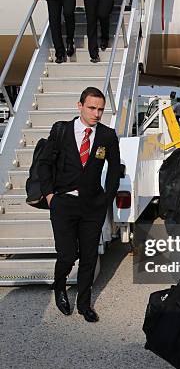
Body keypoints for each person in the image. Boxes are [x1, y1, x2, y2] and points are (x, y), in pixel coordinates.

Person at [38, 87, 121, 322]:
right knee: (67, 255)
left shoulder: (107, 135)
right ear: (80, 106)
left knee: (88, 257)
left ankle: (84, 304)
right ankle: (59, 287)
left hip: (92, 205)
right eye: (92, 108)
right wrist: (49, 195)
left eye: (100, 109)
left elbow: (114, 169)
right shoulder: (61, 130)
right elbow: (44, 163)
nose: (96, 114)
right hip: (63, 203)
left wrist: (107, 199)